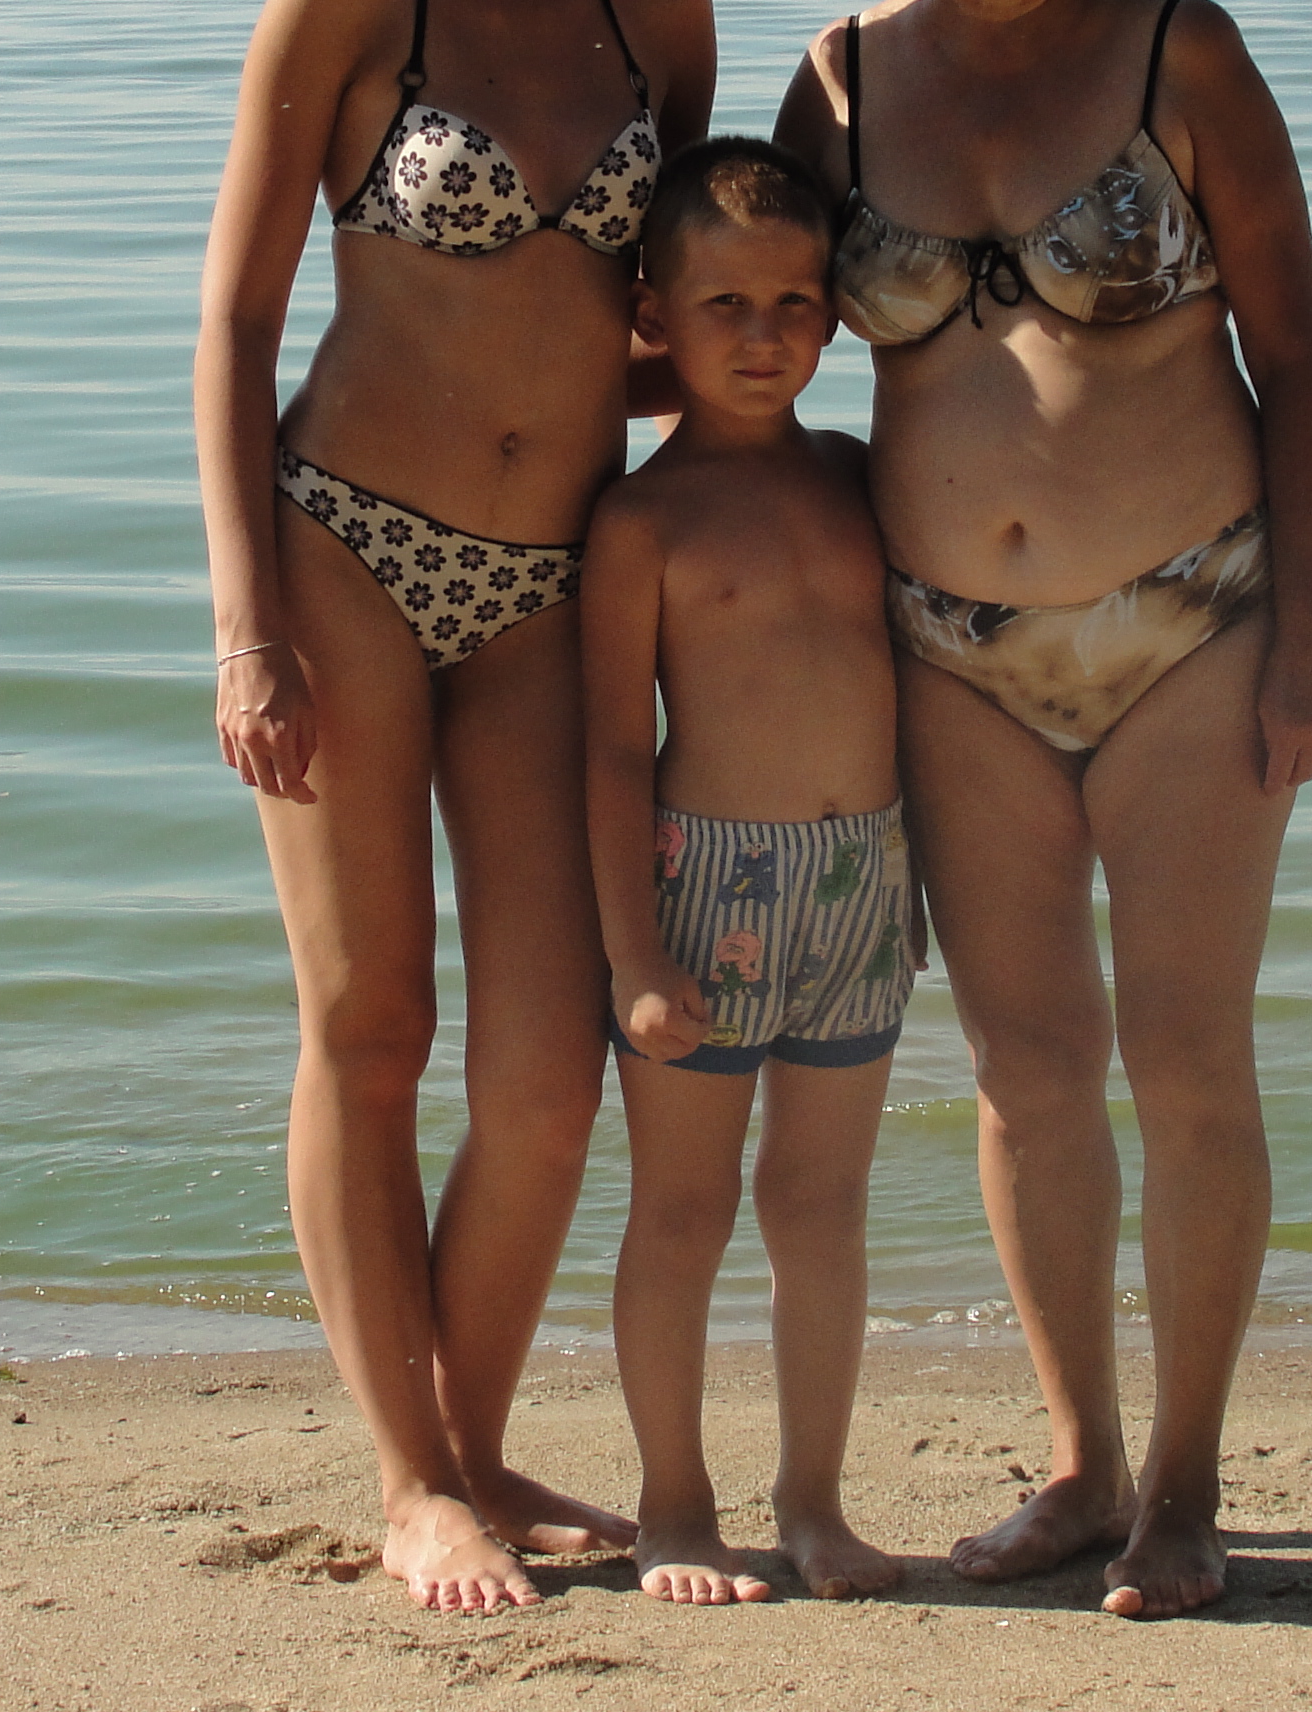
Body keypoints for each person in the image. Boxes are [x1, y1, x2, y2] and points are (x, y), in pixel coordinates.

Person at [773, 0, 1312, 1620]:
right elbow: (742, 333)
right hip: (948, 650)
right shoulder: (843, 78)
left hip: (1193, 623)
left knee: (1187, 1060)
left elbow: (1300, 361)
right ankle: (1084, 1465)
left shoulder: (1185, 54)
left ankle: (1187, 1484)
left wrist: (1311, 639)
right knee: (1026, 1069)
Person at [196, 0, 717, 1613]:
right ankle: (413, 1481)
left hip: (554, 578)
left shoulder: (657, 5)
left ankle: (480, 1444)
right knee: (369, 1024)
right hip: (346, 546)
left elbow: (660, 320)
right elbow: (237, 324)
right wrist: (245, 625)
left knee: (550, 1071)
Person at [581, 138, 914, 1608]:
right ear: (654, 315)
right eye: (725, 304)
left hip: (863, 882)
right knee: (683, 1211)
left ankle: (816, 1503)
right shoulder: (641, 522)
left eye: (793, 301)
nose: (764, 334)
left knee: (822, 1206)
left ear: (835, 312)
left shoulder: (858, 477)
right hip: (702, 888)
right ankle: (674, 1506)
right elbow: (609, 751)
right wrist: (635, 958)